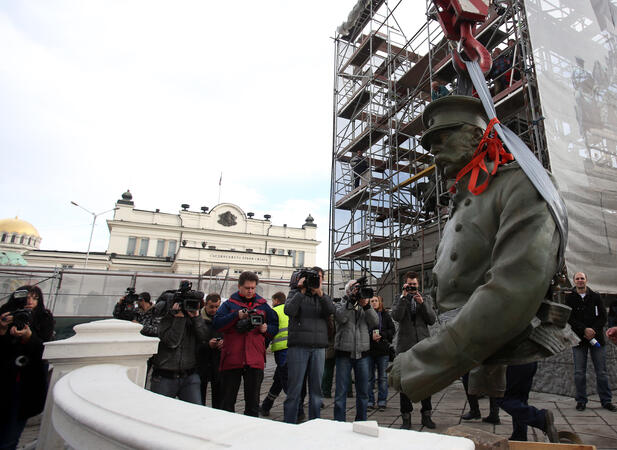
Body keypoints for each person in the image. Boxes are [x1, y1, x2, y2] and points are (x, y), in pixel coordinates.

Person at [389, 95, 570, 405]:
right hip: (470, 342)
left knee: (516, 407)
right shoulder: (462, 199)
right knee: (501, 407)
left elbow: (513, 288)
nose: (434, 152)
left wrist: (421, 363)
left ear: (476, 135)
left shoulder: (522, 185)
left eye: (442, 138)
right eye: (430, 145)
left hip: (512, 336)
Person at [213, 271, 278, 416]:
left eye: (253, 288)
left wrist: (266, 329)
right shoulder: (229, 304)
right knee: (227, 402)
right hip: (232, 359)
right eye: (247, 288)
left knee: (253, 404)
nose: (250, 291)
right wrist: (236, 316)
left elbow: (274, 326)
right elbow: (217, 324)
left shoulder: (262, 305)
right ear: (239, 287)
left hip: (254, 360)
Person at [0, 286, 54, 449]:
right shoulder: (6, 316)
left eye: (35, 298)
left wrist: (30, 338)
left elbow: (44, 351)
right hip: (4, 381)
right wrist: (2, 329)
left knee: (11, 436)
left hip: (25, 385)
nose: (30, 301)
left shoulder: (44, 319)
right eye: (26, 297)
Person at [283, 267, 335, 424]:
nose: (316, 280)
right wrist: (301, 291)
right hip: (298, 345)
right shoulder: (296, 292)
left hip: (319, 346)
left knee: (316, 391)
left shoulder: (323, 296)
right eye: (314, 277)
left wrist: (320, 294)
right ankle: (289, 424)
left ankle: (315, 424)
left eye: (319, 277)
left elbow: (331, 311)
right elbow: (289, 310)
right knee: (295, 390)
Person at [391, 271, 437, 429]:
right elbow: (396, 316)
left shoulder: (426, 298)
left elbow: (431, 320)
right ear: (405, 284)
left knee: (426, 381)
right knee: (404, 384)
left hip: (422, 346)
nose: (412, 288)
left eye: (414, 285)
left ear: (418, 285)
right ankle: (406, 417)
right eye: (409, 285)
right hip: (405, 347)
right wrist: (404, 298)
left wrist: (422, 303)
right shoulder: (399, 298)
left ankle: (426, 415)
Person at [565, 272, 615, 412]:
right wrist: (584, 330)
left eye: (582, 278)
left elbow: (603, 317)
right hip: (579, 340)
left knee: (602, 372)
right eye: (577, 279)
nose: (580, 281)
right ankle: (581, 400)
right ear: (574, 281)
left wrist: (593, 329)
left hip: (596, 338)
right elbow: (569, 318)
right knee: (579, 372)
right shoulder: (570, 299)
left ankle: (606, 401)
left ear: (586, 280)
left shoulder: (596, 296)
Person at [149, 286, 208, 405]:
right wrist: (179, 318)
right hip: (164, 376)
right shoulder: (162, 319)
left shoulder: (193, 317)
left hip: (190, 375)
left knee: (196, 414)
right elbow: (172, 341)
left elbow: (204, 338)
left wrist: (196, 317)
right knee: (159, 414)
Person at [333, 279, 378, 422]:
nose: (358, 291)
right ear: (348, 291)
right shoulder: (340, 303)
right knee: (341, 392)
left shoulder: (365, 304)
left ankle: (362, 421)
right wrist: (351, 302)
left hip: (363, 354)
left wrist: (367, 307)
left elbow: (375, 322)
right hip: (344, 353)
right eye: (354, 288)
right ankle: (339, 422)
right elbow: (341, 318)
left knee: (363, 392)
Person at [499, 362, 559, 442]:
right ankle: (519, 435)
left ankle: (541, 418)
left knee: (502, 398)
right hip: (530, 361)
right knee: (520, 399)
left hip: (517, 361)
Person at [260, 292, 289, 416]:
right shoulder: (289, 309)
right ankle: (267, 405)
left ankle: (296, 409)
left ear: (276, 300)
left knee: (285, 380)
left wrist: (262, 348)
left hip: (281, 349)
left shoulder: (274, 311)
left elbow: (269, 332)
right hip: (293, 348)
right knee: (279, 379)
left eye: (273, 301)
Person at [367, 295, 395, 411]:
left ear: (380, 302)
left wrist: (382, 335)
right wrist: (370, 336)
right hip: (369, 350)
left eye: (376, 301)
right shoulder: (366, 315)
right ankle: (370, 401)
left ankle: (382, 401)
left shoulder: (385, 315)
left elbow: (392, 330)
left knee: (383, 377)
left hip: (382, 350)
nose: (374, 303)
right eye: (371, 301)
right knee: (369, 378)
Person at [197, 293, 223, 408]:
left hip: (217, 362)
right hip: (201, 361)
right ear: (205, 305)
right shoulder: (198, 319)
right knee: (199, 394)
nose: (214, 310)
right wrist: (207, 344)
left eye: (217, 307)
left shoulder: (222, 319)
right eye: (211, 307)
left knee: (218, 394)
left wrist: (223, 342)